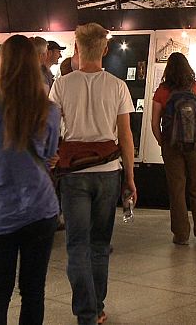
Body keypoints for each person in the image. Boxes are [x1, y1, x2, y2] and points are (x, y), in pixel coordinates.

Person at [49, 22, 136, 325]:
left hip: (73, 175)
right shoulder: (117, 86)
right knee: (100, 244)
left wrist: (53, 155)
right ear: (105, 48)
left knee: (77, 245)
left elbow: (50, 128)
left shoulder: (61, 85)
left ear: (76, 48)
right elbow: (125, 136)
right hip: (109, 172)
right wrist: (130, 178)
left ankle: (86, 312)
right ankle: (97, 307)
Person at [0, 35, 61, 325]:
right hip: (40, 208)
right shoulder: (49, 111)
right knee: (33, 291)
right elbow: (49, 154)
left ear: (2, 64)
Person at [151, 52, 196, 245]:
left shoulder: (162, 91)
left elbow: (155, 123)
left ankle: (181, 235)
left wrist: (163, 142)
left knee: (177, 189)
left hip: (172, 146)